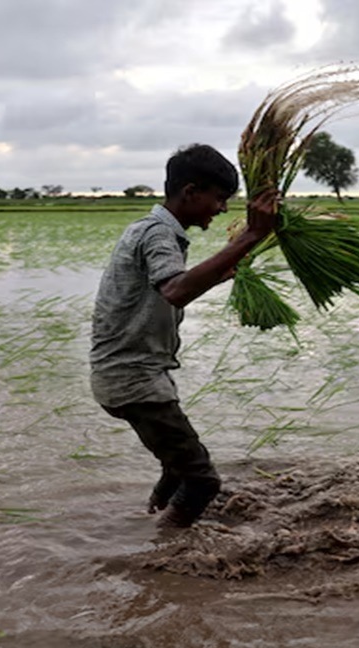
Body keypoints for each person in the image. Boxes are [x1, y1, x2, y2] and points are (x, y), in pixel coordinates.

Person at [89, 144, 278, 528]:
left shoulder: (154, 231)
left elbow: (170, 289)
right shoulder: (157, 234)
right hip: (133, 380)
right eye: (219, 198)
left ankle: (147, 520)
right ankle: (163, 549)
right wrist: (252, 235)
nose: (222, 208)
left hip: (134, 375)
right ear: (190, 192)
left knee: (177, 468)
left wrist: (228, 264)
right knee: (202, 481)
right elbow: (176, 290)